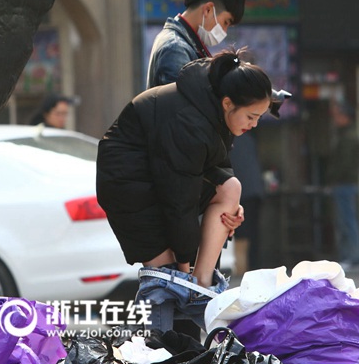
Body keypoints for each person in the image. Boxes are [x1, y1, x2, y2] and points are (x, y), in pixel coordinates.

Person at [96, 50, 274, 330]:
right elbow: (180, 200)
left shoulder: (214, 108)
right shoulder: (190, 122)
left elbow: (218, 170)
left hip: (158, 173)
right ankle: (157, 352)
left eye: (259, 118)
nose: (254, 125)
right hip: (127, 183)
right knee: (165, 277)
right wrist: (182, 264)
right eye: (251, 116)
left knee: (231, 188)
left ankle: (201, 286)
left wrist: (232, 209)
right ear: (228, 103)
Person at [146, 0, 247, 89]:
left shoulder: (185, 45)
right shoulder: (176, 48)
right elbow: (181, 105)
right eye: (226, 22)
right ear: (208, 10)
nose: (224, 31)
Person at [326, 100, 359, 271]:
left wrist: (333, 177)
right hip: (345, 183)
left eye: (338, 115)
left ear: (345, 117)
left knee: (348, 221)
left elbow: (344, 164)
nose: (335, 119)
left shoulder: (348, 137)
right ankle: (349, 257)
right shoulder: (345, 135)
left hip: (345, 184)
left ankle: (353, 258)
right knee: (346, 221)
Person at [228, 129, 266, 275]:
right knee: (253, 233)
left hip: (241, 191)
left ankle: (243, 269)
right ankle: (254, 268)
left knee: (242, 233)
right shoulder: (248, 139)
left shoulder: (229, 141)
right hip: (255, 190)